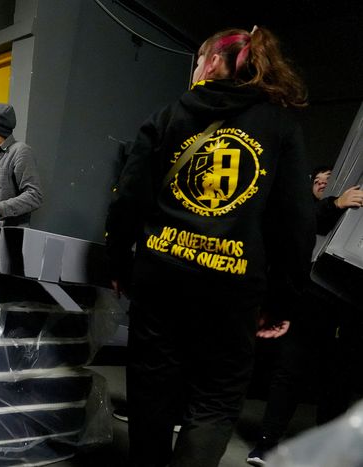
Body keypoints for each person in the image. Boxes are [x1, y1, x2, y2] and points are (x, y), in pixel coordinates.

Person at [104, 26, 316, 467]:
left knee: (151, 393)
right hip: (234, 287)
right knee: (216, 401)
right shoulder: (279, 127)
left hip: (161, 276)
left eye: (198, 60)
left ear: (214, 63)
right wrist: (282, 301)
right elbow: (295, 221)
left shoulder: (168, 115)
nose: (196, 68)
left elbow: (129, 197)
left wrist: (120, 264)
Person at [246, 166, 363, 466]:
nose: (323, 182)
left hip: (353, 302)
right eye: (320, 179)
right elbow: (302, 228)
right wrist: (336, 203)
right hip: (315, 293)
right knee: (290, 369)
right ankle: (266, 443)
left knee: (340, 379)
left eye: (328, 179)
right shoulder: (328, 200)